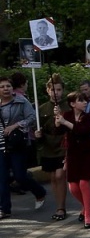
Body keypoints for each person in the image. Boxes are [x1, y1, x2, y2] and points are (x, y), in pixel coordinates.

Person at [0, 76, 45, 219]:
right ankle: (4, 208)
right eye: (2, 87)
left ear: (12, 88)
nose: (5, 89)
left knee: (20, 175)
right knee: (2, 178)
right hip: (1, 145)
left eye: (8, 86)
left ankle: (39, 192)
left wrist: (15, 125)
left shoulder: (21, 101)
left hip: (17, 143)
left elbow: (32, 118)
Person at [57, 91, 90, 228]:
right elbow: (57, 131)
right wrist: (58, 120)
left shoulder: (88, 116)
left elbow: (83, 131)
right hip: (72, 153)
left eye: (85, 100)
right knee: (73, 186)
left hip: (87, 152)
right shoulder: (67, 115)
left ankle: (88, 214)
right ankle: (86, 205)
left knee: (83, 182)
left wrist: (65, 122)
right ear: (72, 104)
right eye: (81, 100)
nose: (85, 102)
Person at [36, 74, 69, 220]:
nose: (56, 92)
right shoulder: (42, 108)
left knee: (60, 175)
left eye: (59, 89)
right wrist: (37, 134)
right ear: (48, 90)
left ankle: (61, 208)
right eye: (53, 89)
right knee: (53, 178)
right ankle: (58, 205)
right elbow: (40, 129)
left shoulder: (68, 106)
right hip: (48, 147)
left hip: (63, 145)